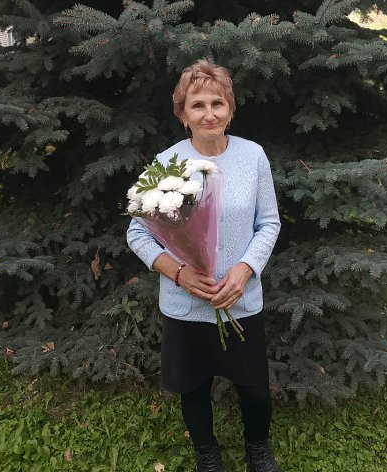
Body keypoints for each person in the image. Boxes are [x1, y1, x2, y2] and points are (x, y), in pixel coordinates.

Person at [127, 59, 282, 472]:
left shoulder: (253, 156)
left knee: (255, 390)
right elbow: (138, 233)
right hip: (185, 305)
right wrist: (178, 272)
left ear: (231, 109)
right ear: (183, 114)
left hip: (240, 299)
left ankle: (258, 449)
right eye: (197, 105)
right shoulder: (166, 164)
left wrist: (245, 269)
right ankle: (206, 454)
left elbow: (269, 223)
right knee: (193, 388)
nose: (209, 113)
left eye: (218, 103)